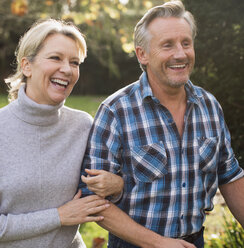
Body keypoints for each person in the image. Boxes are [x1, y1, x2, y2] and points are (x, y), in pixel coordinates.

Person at [79, 1, 244, 248]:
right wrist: (157, 243)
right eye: (167, 45)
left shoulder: (209, 106)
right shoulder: (115, 111)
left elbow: (230, 176)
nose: (180, 54)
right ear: (142, 54)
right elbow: (93, 197)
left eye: (186, 43)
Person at [0, 19, 124, 248]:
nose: (67, 69)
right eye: (55, 58)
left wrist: (118, 185)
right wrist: (58, 216)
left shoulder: (83, 125)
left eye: (74, 62)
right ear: (26, 66)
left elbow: (99, 196)